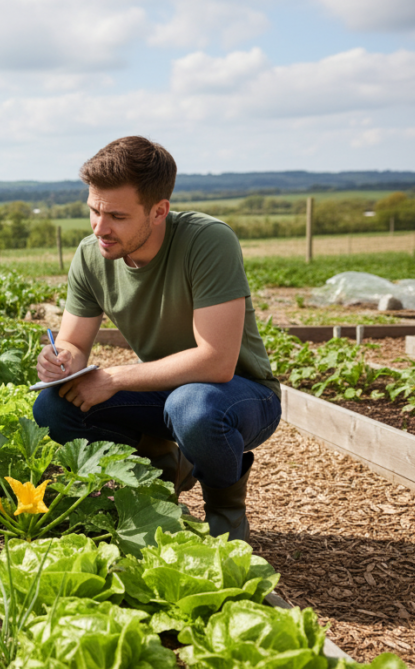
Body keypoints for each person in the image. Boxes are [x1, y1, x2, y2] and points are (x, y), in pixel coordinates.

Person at [32, 136, 281, 542]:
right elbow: (74, 344)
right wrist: (61, 359)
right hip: (164, 393)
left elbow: (216, 362)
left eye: (116, 216)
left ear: (159, 211)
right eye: (93, 210)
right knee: (54, 407)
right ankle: (164, 464)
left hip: (238, 394)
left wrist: (113, 378)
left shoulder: (207, 241)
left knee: (193, 407)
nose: (100, 227)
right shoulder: (92, 254)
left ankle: (226, 516)